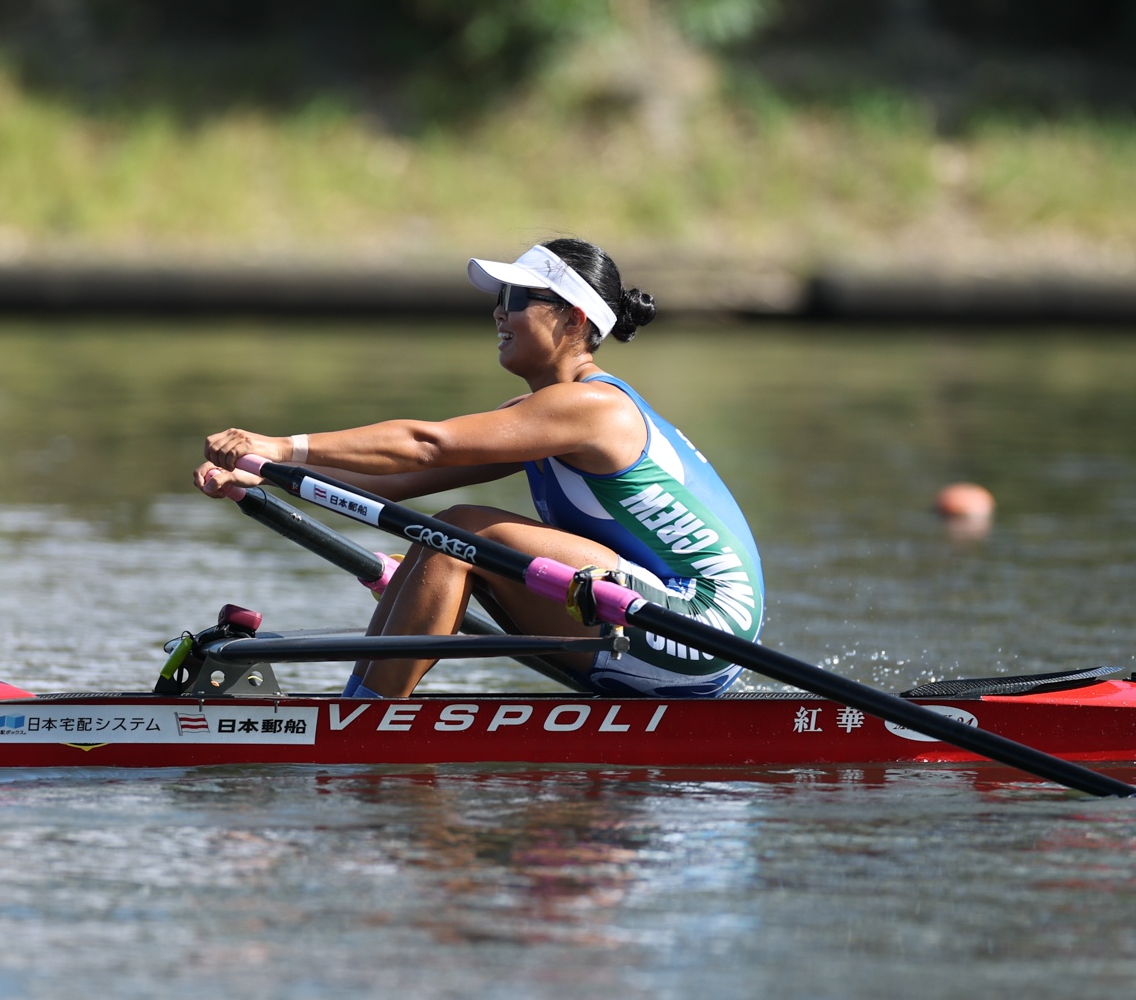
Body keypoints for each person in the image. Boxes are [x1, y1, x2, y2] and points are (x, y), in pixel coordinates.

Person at [194, 238, 766, 700]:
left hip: (700, 629)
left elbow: (425, 445)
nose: (498, 311)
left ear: (573, 319)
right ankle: (359, 707)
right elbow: (398, 480)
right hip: (652, 623)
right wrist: (264, 471)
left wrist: (281, 444)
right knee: (441, 539)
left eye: (516, 298)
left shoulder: (592, 408)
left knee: (461, 532)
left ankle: (363, 719)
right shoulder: (542, 415)